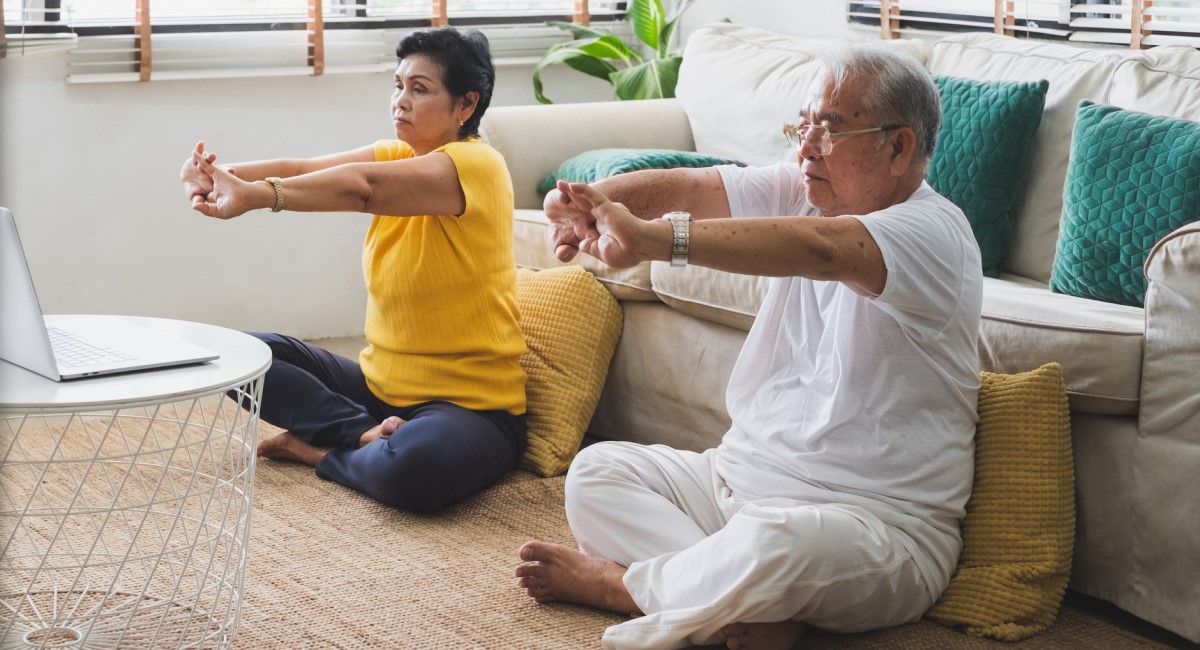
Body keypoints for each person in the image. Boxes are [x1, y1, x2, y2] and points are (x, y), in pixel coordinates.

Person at [515, 45, 983, 650]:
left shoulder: (934, 232)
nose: (807, 145)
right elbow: (691, 186)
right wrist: (592, 201)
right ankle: (742, 601)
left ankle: (622, 588)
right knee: (597, 471)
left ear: (899, 148)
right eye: (805, 124)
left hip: (874, 527)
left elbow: (822, 249)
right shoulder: (807, 187)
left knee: (781, 545)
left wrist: (653, 240)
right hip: (733, 484)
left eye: (831, 129)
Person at [179, 27, 527, 512]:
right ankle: (361, 434)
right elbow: (305, 169)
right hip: (378, 390)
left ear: (466, 105)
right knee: (240, 354)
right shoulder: (398, 153)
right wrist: (223, 175)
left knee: (413, 472)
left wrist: (257, 196)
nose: (400, 101)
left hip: (469, 409)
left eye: (420, 89)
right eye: (398, 85)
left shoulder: (476, 164)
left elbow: (363, 188)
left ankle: (318, 448)